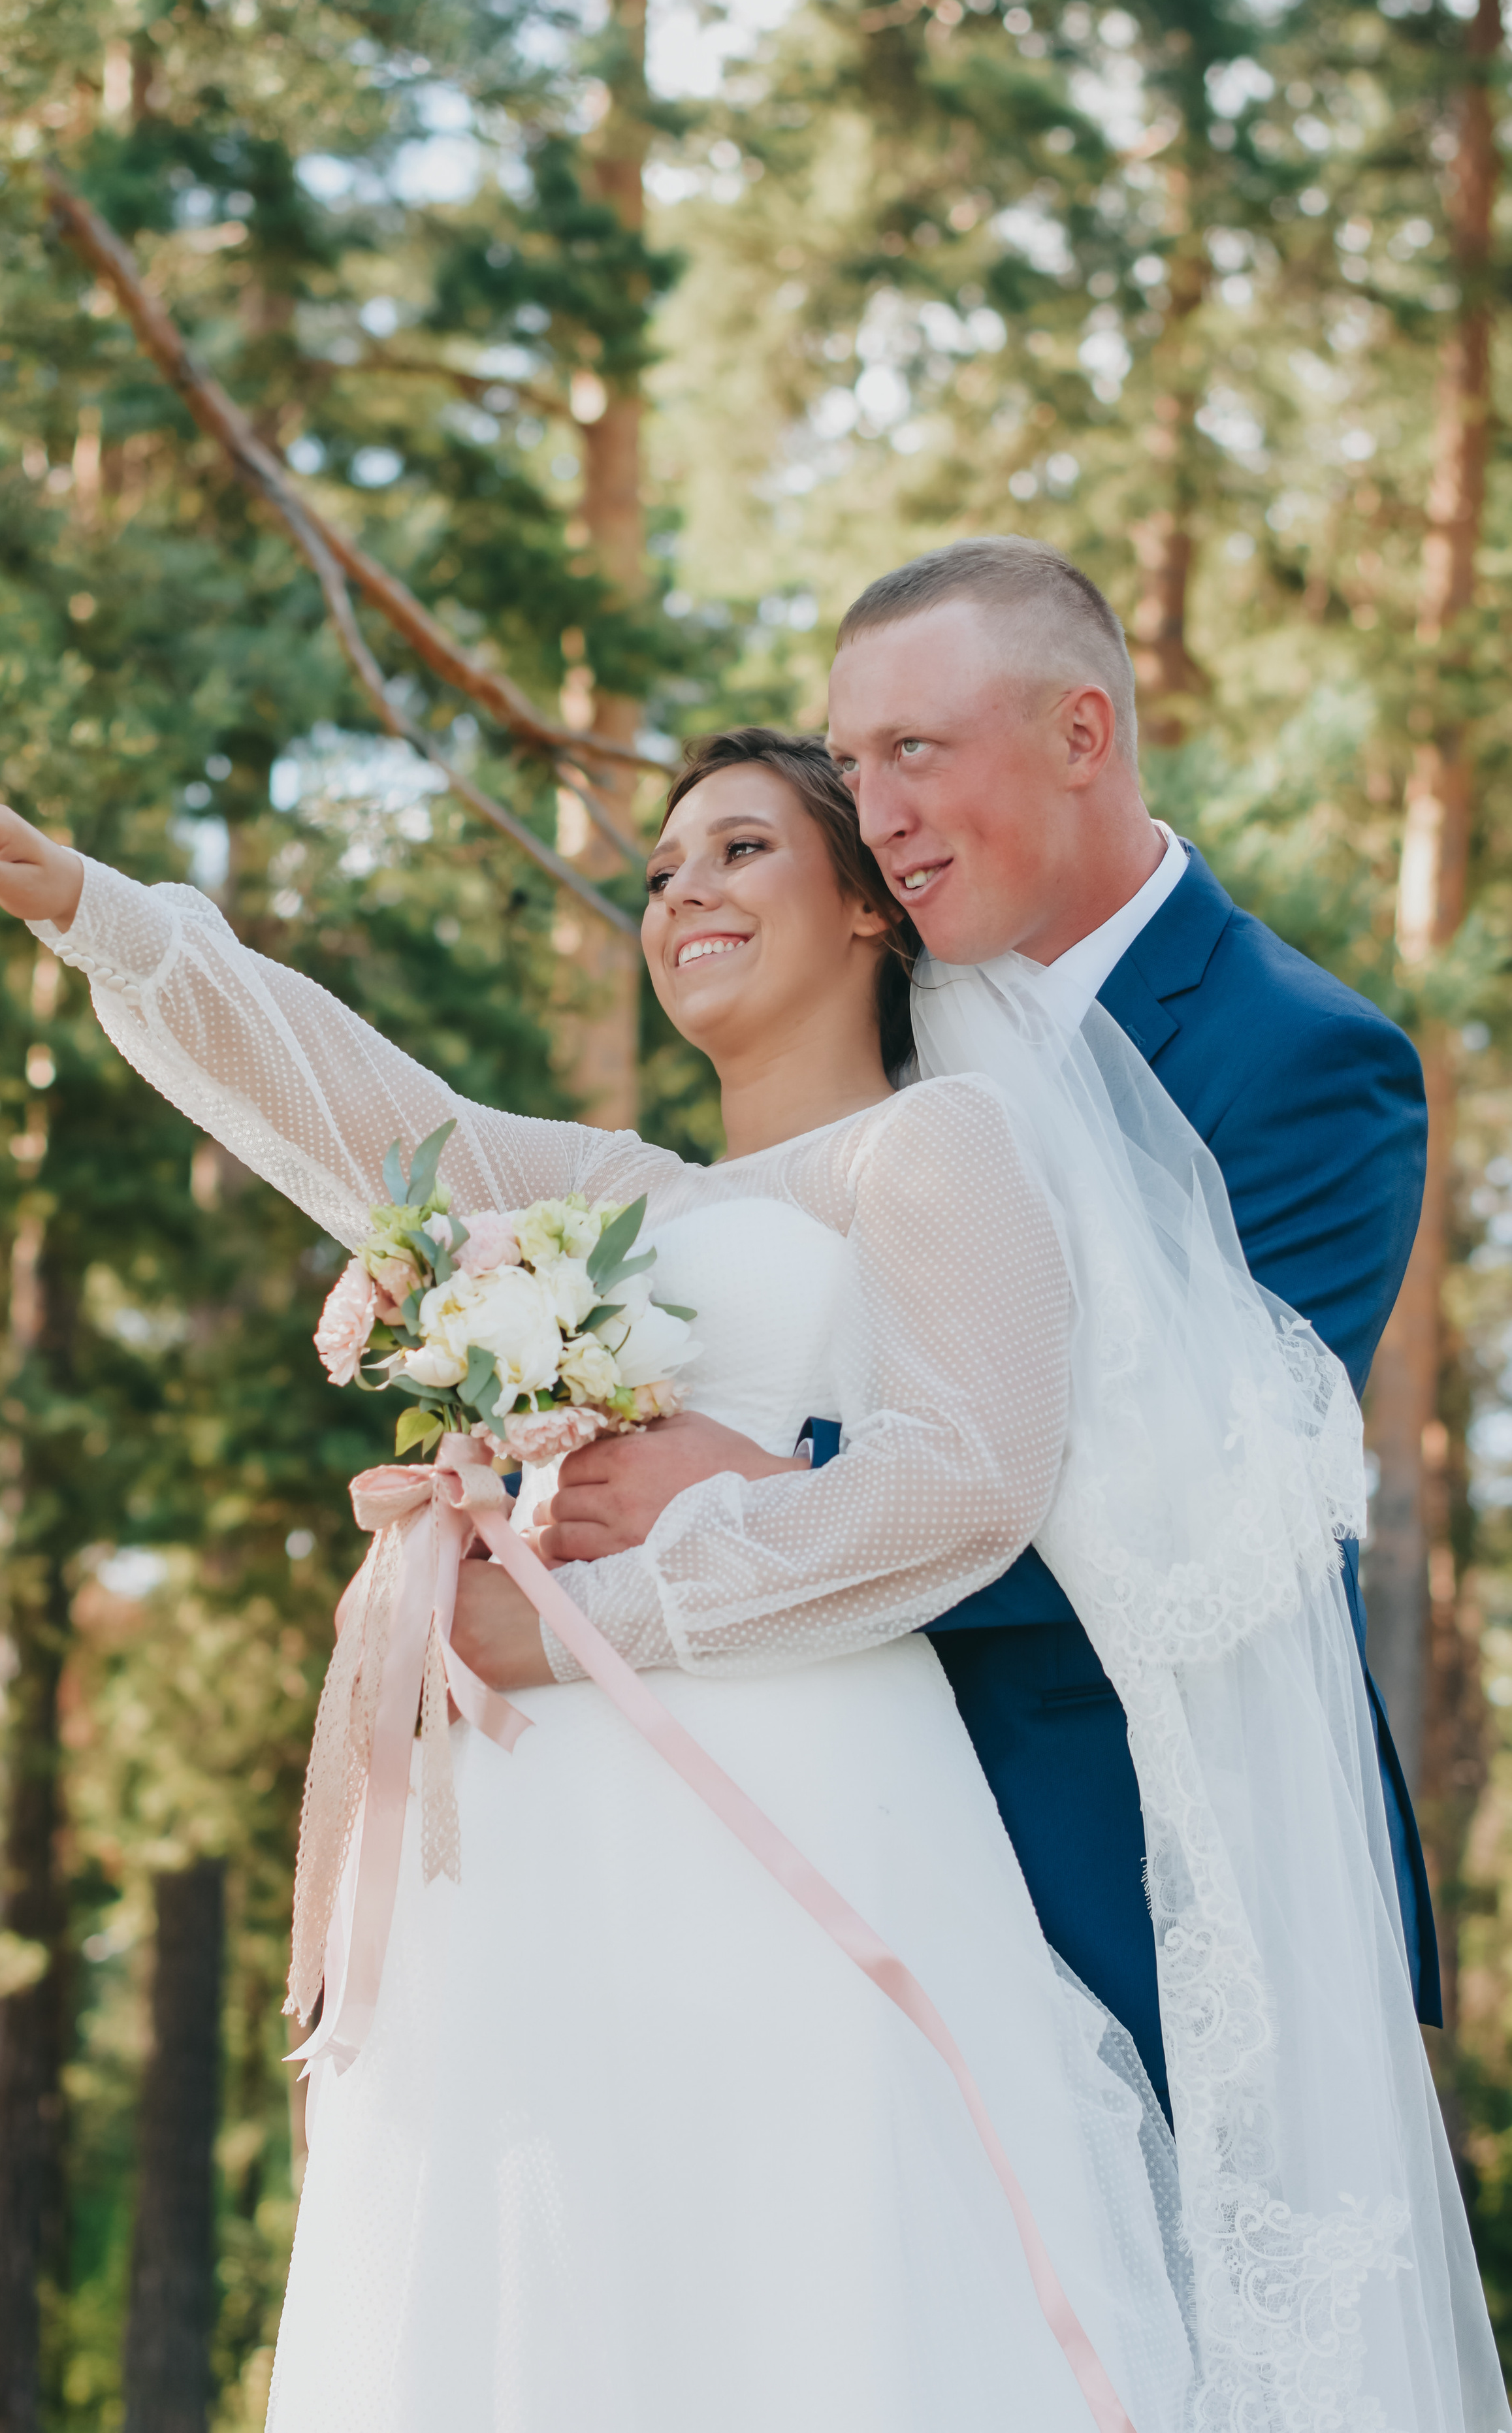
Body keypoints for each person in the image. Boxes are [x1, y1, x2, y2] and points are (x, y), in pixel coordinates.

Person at [0, 720, 1497, 2426]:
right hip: (545, 1839)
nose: (682, 891)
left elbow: (967, 1483)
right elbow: (369, 1123)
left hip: (812, 1799)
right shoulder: (623, 1191)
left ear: (868, 908)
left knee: (793, 2280)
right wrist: (102, 914)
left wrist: (591, 1627)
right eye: (658, 871)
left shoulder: (937, 1147)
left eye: (739, 850)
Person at [530, 540, 1439, 2125]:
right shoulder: (881, 1014)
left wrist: (756, 1485)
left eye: (914, 751)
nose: (874, 811)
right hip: (836, 1837)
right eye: (849, 764)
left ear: (1081, 734)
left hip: (1142, 1862)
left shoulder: (1297, 1061)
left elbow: (1201, 1503)